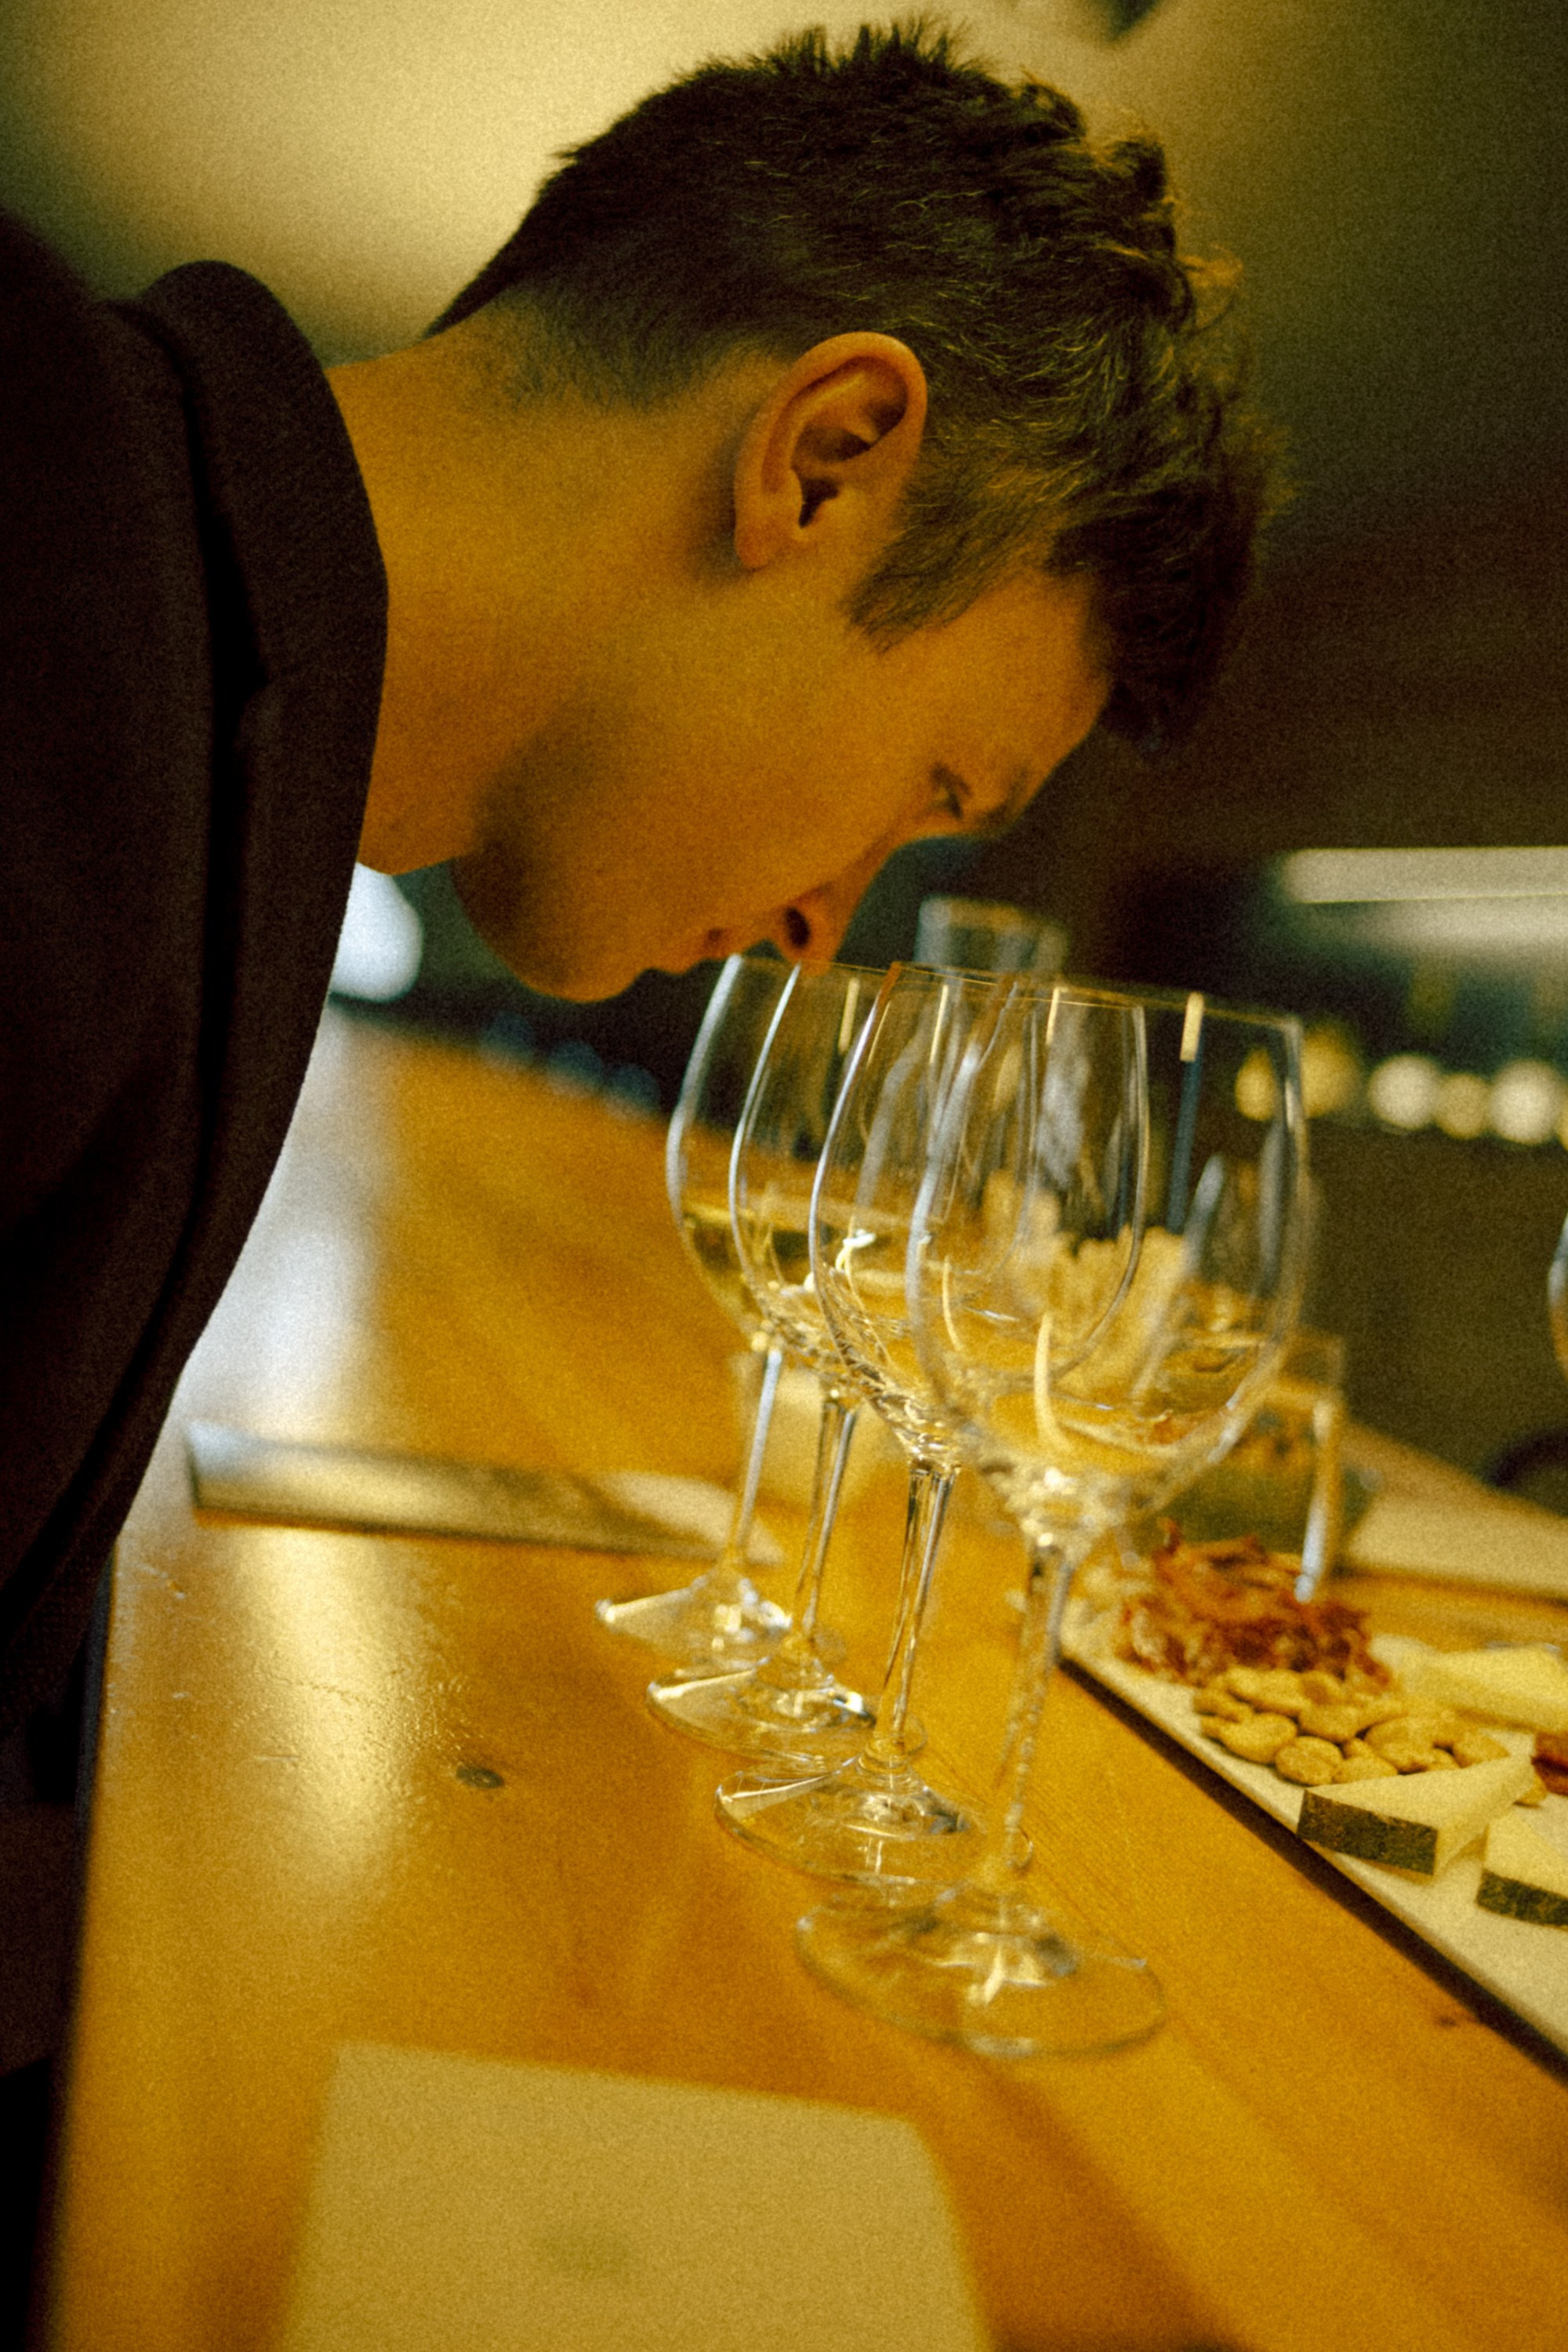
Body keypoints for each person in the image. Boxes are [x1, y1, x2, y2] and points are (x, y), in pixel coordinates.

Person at [0, 17, 1278, 2325]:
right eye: (936, 794)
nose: (826, 932)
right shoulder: (37, 538)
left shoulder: (215, 719)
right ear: (825, 459)